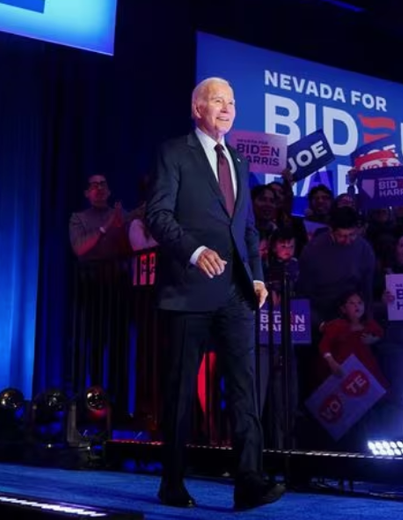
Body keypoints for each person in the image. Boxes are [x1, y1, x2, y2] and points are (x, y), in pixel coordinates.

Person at [145, 77, 283, 510]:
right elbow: (157, 215)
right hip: (189, 291)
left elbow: (247, 229)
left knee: (245, 390)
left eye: (232, 102)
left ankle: (249, 482)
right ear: (197, 108)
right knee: (181, 392)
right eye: (218, 101)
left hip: (237, 294)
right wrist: (194, 251)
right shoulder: (174, 152)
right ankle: (172, 482)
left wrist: (257, 277)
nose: (227, 108)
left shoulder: (239, 161)